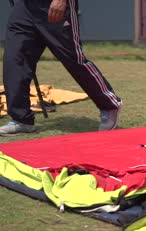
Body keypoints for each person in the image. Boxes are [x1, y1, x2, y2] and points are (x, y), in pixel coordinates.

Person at [0, 0, 122, 136]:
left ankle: (109, 105)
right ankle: (21, 119)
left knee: (73, 59)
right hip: (24, 7)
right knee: (15, 60)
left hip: (54, 5)